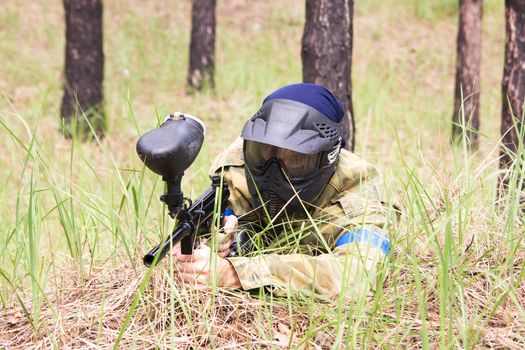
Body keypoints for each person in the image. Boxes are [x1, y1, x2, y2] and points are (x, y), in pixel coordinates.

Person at [173, 83, 392, 299]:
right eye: (265, 153)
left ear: (327, 157)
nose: (275, 173)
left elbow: (358, 274)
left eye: (295, 160)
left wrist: (234, 274)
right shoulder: (238, 165)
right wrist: (211, 243)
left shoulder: (360, 192)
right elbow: (214, 223)